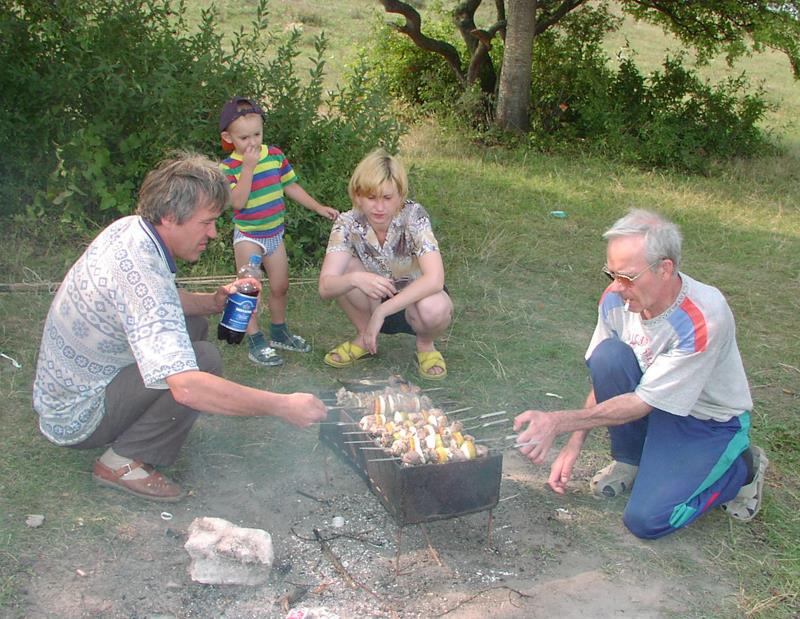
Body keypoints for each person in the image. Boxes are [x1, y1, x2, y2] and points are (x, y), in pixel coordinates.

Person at [32, 153, 328, 503]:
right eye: (206, 223)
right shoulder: (140, 270)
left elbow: (162, 299)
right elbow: (187, 388)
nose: (214, 233)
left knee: (194, 324)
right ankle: (122, 462)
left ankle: (137, 432)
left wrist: (214, 302)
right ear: (171, 216)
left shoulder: (133, 230)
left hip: (66, 393)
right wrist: (282, 405)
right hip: (77, 416)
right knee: (201, 361)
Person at [513, 209, 768, 539]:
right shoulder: (616, 300)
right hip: (654, 400)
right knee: (608, 357)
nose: (617, 287)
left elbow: (641, 403)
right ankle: (631, 460)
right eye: (612, 274)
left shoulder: (703, 318)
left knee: (647, 521)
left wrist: (560, 422)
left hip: (706, 422)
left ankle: (742, 468)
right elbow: (603, 374)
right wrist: (573, 445)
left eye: (628, 277)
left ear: (665, 269)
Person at [219, 96, 339, 366]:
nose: (252, 142)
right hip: (248, 236)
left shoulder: (274, 155)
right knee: (248, 288)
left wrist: (318, 207)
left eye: (257, 134)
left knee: (280, 287)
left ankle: (279, 331)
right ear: (228, 137)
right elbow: (237, 202)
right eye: (243, 138)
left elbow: (290, 186)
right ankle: (255, 340)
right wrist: (248, 167)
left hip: (274, 235)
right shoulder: (228, 168)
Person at [318, 148, 453, 380]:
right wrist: (355, 279)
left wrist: (382, 311)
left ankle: (425, 345)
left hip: (415, 301)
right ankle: (363, 335)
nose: (379, 208)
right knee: (347, 269)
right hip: (372, 299)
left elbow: (435, 279)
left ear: (400, 195)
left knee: (436, 307)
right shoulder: (346, 222)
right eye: (371, 198)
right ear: (357, 196)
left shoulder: (414, 215)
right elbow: (325, 287)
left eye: (387, 198)